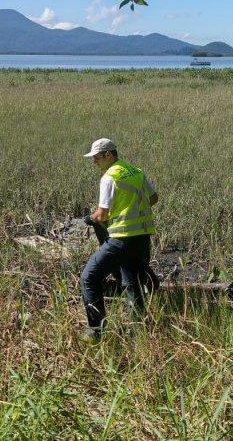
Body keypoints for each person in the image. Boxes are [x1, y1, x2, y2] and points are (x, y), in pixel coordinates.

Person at [80, 138, 159, 339]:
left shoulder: (109, 177)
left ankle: (95, 332)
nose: (94, 162)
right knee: (131, 282)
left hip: (121, 239)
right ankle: (139, 333)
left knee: (89, 277)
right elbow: (153, 198)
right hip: (141, 237)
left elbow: (102, 215)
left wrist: (90, 218)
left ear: (108, 155)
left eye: (97, 158)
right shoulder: (135, 171)